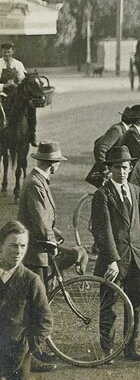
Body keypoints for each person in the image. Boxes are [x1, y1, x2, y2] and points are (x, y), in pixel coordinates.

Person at [91, 147, 140, 361]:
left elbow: (138, 224)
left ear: (130, 168)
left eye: (125, 167)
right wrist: (112, 260)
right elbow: (103, 231)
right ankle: (107, 350)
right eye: (117, 167)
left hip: (136, 257)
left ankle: (130, 347)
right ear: (110, 169)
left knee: (135, 304)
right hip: (113, 261)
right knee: (109, 306)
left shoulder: (135, 191)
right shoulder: (102, 194)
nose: (121, 171)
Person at [16, 141, 66, 373]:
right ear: (52, 163)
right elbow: (37, 221)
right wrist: (51, 241)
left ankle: (35, 350)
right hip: (35, 254)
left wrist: (55, 234)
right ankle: (28, 357)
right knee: (33, 307)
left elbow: (44, 219)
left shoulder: (38, 182)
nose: (58, 166)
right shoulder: (35, 184)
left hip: (39, 252)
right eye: (57, 162)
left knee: (37, 304)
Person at [0, 220, 53, 380]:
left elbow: (45, 321)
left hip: (17, 358)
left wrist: (27, 347)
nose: (18, 251)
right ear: (1, 245)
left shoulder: (31, 281)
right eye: (13, 245)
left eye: (23, 246)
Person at [87, 106, 131, 188]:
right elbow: (100, 147)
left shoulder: (123, 130)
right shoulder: (117, 130)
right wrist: (105, 169)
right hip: (109, 174)